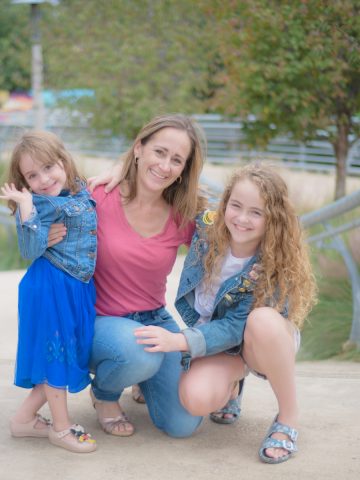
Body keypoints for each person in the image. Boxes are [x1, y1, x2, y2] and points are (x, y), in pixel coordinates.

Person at [134, 163, 317, 463]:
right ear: (225, 202)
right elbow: (167, 189)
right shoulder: (208, 228)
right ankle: (233, 384)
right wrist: (119, 173)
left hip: (263, 343)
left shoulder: (272, 261)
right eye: (236, 206)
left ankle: (288, 417)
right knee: (195, 399)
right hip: (221, 345)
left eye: (256, 212)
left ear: (273, 219)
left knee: (262, 321)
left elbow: (235, 328)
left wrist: (179, 341)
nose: (242, 219)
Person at [50, 114, 207, 437]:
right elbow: (44, 196)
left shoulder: (182, 215)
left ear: (184, 170)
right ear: (139, 148)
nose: (165, 166)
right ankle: (105, 394)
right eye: (159, 152)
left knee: (182, 424)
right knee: (138, 352)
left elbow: (228, 232)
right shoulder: (98, 196)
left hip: (154, 320)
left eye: (177, 160)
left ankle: (142, 378)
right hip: (101, 324)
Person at [0, 131, 97, 453]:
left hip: (74, 288)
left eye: (48, 167)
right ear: (24, 182)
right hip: (50, 287)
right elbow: (29, 248)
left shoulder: (78, 190)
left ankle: (24, 421)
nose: (43, 179)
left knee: (63, 354)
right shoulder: (37, 204)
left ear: (64, 161)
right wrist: (26, 207)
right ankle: (60, 427)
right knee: (56, 354)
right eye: (32, 175)